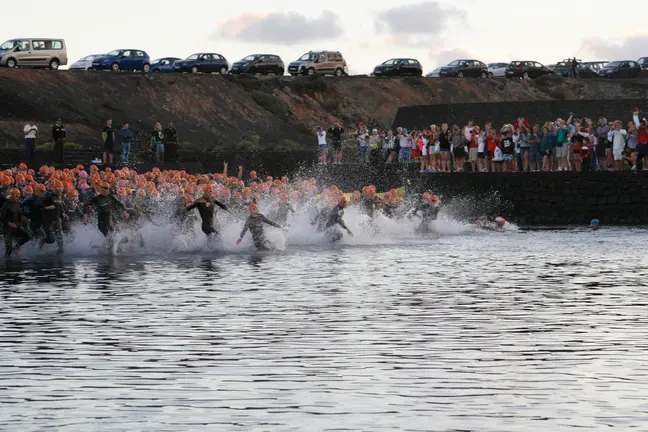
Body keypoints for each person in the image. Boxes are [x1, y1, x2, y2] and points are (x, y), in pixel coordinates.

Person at [83, 182, 129, 246]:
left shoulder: (111, 197)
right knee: (109, 236)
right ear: (101, 189)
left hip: (111, 218)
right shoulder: (96, 198)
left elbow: (120, 204)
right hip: (102, 221)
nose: (107, 191)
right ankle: (102, 247)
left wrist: (124, 211)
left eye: (108, 189)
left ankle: (118, 246)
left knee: (119, 234)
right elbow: (85, 206)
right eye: (106, 189)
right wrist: (85, 217)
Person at [1, 188, 32, 257]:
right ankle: (5, 264)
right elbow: (1, 218)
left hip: (16, 227)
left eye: (18, 196)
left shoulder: (19, 204)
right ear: (12, 195)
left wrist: (22, 224)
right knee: (8, 250)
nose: (18, 197)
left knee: (28, 236)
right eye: (16, 196)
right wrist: (9, 223)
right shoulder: (6, 205)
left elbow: (20, 216)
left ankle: (16, 247)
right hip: (7, 229)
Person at [40, 181, 66, 253]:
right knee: (51, 239)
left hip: (57, 219)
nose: (60, 190)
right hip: (48, 220)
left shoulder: (62, 197)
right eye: (58, 188)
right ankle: (42, 242)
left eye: (61, 188)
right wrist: (47, 208)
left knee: (60, 238)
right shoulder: (49, 196)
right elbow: (40, 205)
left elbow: (61, 208)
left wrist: (63, 214)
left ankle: (60, 252)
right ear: (54, 189)